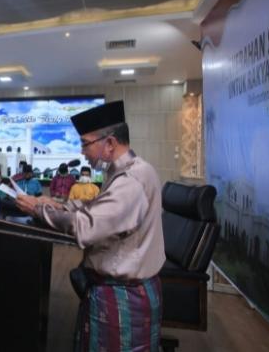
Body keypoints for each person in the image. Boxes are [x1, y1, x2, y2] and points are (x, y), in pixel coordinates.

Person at [15, 101, 164, 352]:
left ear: (110, 143)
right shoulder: (124, 173)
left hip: (122, 295)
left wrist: (37, 209)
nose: (82, 151)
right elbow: (96, 206)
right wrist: (57, 204)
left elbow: (87, 226)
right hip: (113, 289)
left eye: (85, 143)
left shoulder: (131, 181)